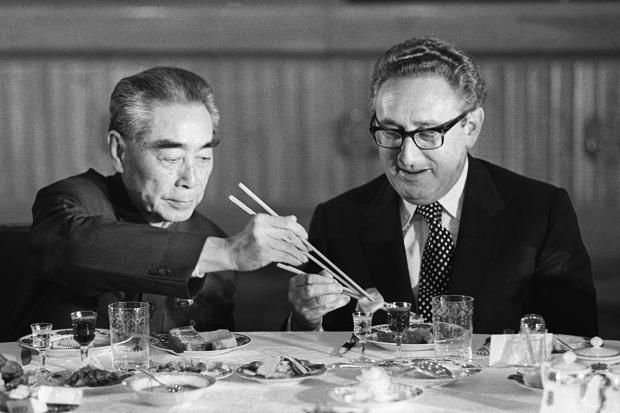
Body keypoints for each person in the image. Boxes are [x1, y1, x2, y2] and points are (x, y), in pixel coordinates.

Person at [287, 37, 598, 336]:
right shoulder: (337, 220)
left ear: (470, 128)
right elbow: (306, 355)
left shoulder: (541, 213)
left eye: (428, 133)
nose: (407, 158)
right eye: (392, 132)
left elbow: (577, 345)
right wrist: (305, 320)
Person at [15, 66, 309, 335]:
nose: (190, 179)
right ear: (120, 151)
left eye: (204, 157)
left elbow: (213, 357)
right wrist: (227, 252)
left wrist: (306, 319)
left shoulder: (210, 238)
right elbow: (74, 248)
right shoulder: (70, 201)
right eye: (171, 157)